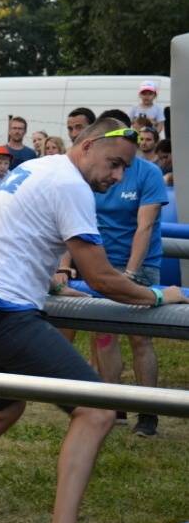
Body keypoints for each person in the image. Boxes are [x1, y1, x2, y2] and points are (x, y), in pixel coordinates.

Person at [0, 119, 187, 523]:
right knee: (96, 411)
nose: (116, 178)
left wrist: (50, 280)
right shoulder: (70, 184)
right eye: (114, 165)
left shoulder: (40, 168)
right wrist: (158, 293)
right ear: (89, 145)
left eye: (124, 171)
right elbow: (104, 278)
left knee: (3, 411)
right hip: (3, 313)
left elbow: (23, 236)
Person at [91, 134, 168, 437]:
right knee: (103, 334)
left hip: (142, 266)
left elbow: (145, 225)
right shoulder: (97, 172)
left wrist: (132, 273)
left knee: (140, 339)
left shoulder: (148, 173)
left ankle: (148, 411)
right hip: (103, 265)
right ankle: (115, 405)